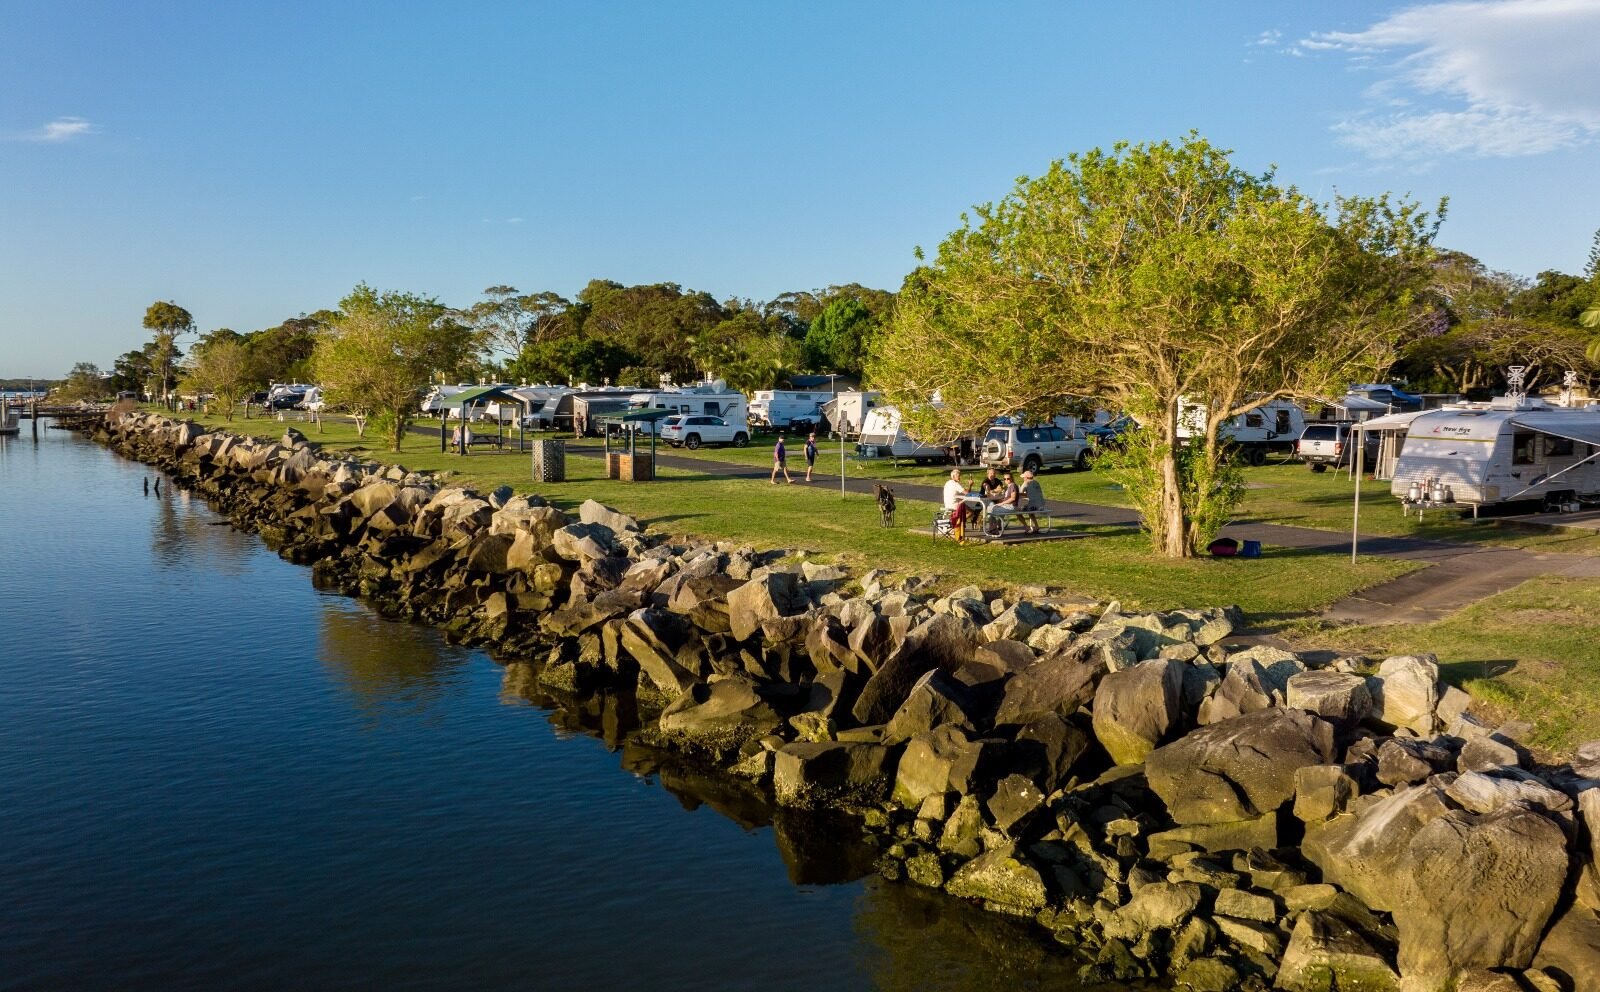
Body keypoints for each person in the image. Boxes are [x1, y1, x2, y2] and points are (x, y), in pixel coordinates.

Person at [942, 467, 970, 541]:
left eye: (959, 475)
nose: (959, 477)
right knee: (970, 512)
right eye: (958, 475)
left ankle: (956, 524)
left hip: (947, 504)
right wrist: (970, 485)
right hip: (954, 505)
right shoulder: (955, 484)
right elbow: (967, 493)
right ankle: (957, 525)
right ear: (953, 476)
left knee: (963, 504)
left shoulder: (947, 483)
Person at [1018, 469, 1045, 534]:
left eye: (1024, 477)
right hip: (1041, 504)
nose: (1023, 479)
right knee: (1030, 511)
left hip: (1033, 506)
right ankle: (1036, 526)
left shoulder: (1026, 483)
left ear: (1026, 477)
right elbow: (1031, 494)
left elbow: (1020, 493)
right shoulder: (1036, 482)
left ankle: (1027, 527)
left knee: (1018, 511)